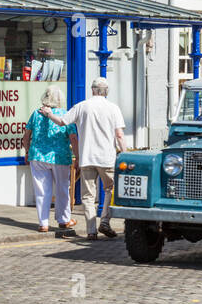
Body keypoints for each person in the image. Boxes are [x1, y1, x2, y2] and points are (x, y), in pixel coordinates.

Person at [39, 77, 126, 240]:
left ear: (92, 90)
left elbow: (62, 121)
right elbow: (119, 135)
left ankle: (91, 231)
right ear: (106, 91)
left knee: (87, 196)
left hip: (87, 157)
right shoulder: (113, 108)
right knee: (110, 190)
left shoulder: (82, 106)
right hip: (107, 157)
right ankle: (105, 220)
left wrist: (49, 113)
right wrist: (126, 153)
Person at [25, 86, 77, 233]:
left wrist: (27, 150)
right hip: (59, 156)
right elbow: (73, 137)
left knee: (41, 191)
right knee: (62, 188)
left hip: (38, 156)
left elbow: (27, 135)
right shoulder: (65, 115)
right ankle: (64, 220)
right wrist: (78, 156)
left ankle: (43, 223)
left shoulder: (36, 114)